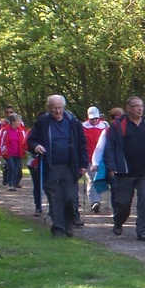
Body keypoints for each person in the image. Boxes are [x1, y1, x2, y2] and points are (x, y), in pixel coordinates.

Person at [28, 95, 87, 237]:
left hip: (70, 166)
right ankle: (58, 228)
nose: (58, 111)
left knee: (70, 197)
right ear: (49, 107)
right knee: (55, 197)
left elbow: (82, 144)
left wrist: (84, 164)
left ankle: (69, 222)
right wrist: (36, 146)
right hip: (51, 166)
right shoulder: (42, 122)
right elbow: (31, 140)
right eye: (54, 108)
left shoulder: (73, 122)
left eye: (60, 107)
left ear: (64, 107)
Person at [104, 95, 145, 241]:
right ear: (128, 108)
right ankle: (118, 221)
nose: (140, 109)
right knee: (124, 203)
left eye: (141, 106)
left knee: (144, 200)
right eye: (136, 106)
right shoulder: (118, 125)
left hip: (144, 172)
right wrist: (111, 166)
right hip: (124, 171)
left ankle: (143, 230)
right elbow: (110, 147)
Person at [82, 106, 108, 213]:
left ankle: (108, 202)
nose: (94, 120)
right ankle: (95, 202)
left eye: (96, 118)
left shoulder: (104, 126)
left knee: (102, 179)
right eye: (92, 118)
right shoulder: (83, 127)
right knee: (92, 179)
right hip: (88, 158)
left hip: (103, 158)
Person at [0, 113, 29, 189]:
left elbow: (25, 141)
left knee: (16, 169)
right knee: (11, 167)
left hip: (18, 153)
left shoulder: (21, 130)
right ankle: (10, 184)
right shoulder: (4, 130)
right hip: (8, 153)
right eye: (18, 121)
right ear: (13, 122)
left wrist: (25, 150)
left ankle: (14, 183)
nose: (20, 122)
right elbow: (0, 141)